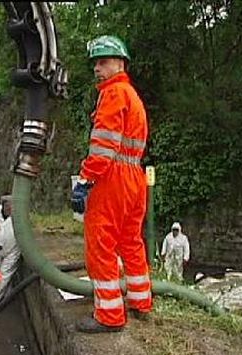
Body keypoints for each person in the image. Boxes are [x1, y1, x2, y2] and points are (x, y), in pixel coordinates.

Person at [71, 35, 152, 333]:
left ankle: (109, 315)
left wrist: (85, 179)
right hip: (135, 177)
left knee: (101, 244)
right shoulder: (133, 97)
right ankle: (141, 302)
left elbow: (103, 146)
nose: (97, 68)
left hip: (113, 178)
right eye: (95, 63)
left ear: (120, 63)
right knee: (130, 242)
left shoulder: (114, 93)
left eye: (103, 62)